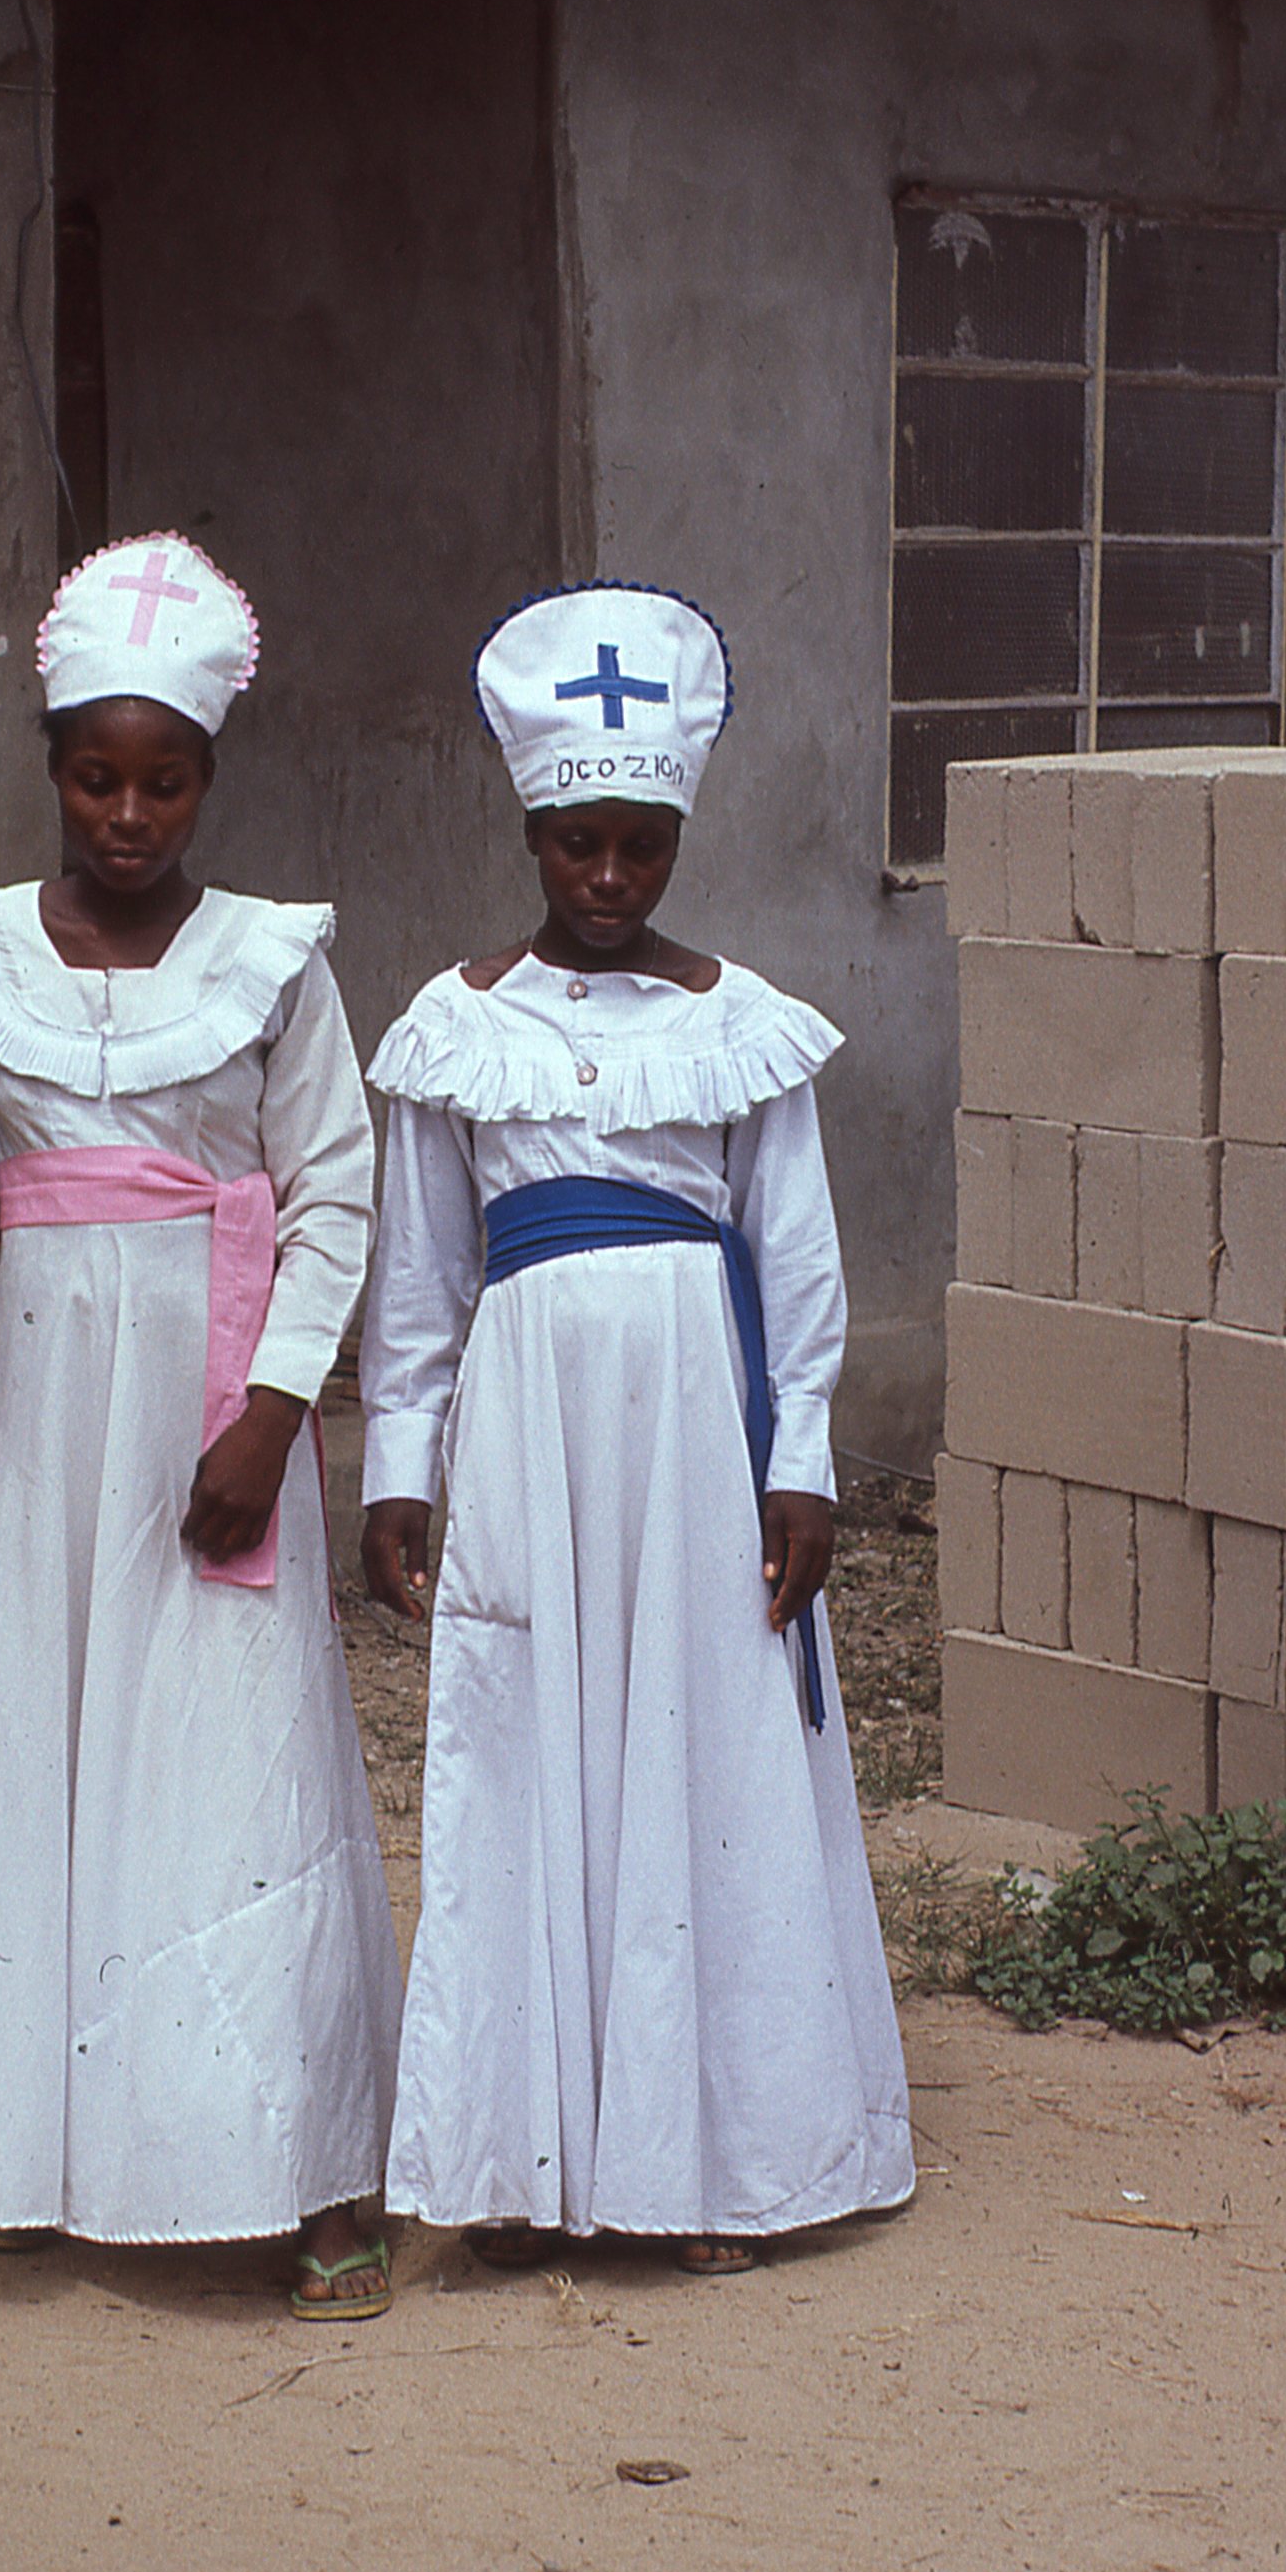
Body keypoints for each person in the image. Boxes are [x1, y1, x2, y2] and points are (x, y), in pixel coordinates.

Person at [358, 584, 913, 2271]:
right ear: (532, 835)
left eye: (641, 848)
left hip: (693, 1430)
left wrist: (798, 1461)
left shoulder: (739, 1023)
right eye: (578, 845)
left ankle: (713, 2169)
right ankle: (522, 2162)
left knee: (699, 1750)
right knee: (523, 1751)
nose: (608, 878)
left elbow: (797, 1263)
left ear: (677, 840)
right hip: (527, 1437)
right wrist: (397, 1465)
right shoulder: (460, 1025)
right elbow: (419, 1276)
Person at [0, 536, 402, 2321]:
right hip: (38, 1401)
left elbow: (332, 1190)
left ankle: (296, 2166)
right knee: (51, 1733)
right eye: (98, 778)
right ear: (52, 769)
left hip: (214, 1401)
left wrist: (273, 1409)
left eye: (165, 780)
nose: (129, 814)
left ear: (206, 779)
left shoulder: (270, 962)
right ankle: (43, 2151)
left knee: (234, 1750)